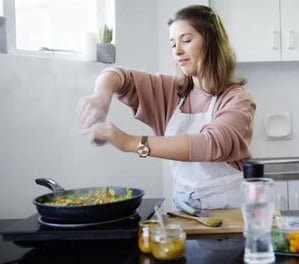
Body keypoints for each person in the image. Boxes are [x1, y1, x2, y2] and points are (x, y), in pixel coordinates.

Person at [77, 5, 256, 210]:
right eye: (173, 44)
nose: (178, 51)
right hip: (185, 212)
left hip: (231, 217)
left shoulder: (237, 100)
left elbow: (212, 144)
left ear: (211, 42)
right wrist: (101, 97)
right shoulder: (171, 92)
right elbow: (117, 75)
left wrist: (129, 142)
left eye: (186, 40)